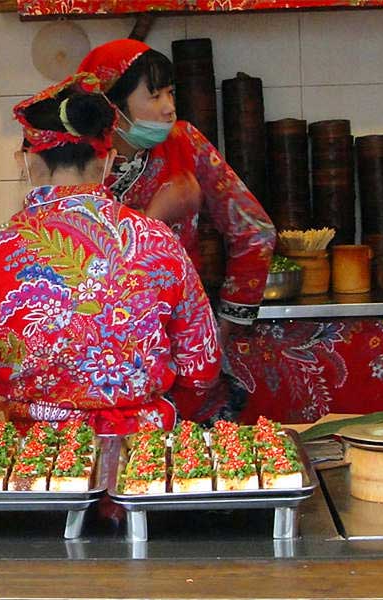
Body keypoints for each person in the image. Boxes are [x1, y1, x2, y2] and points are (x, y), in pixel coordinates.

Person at [0, 72, 221, 434]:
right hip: (142, 457)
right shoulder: (157, 239)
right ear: (109, 162)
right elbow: (202, 367)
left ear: (26, 162)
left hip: (33, 462)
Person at [77, 39, 276, 422]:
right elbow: (74, 263)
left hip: (182, 347)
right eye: (153, 96)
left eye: (170, 93)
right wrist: (157, 215)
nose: (168, 107)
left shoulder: (184, 143)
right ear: (109, 105)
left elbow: (255, 230)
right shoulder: (78, 162)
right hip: (96, 361)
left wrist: (224, 325)